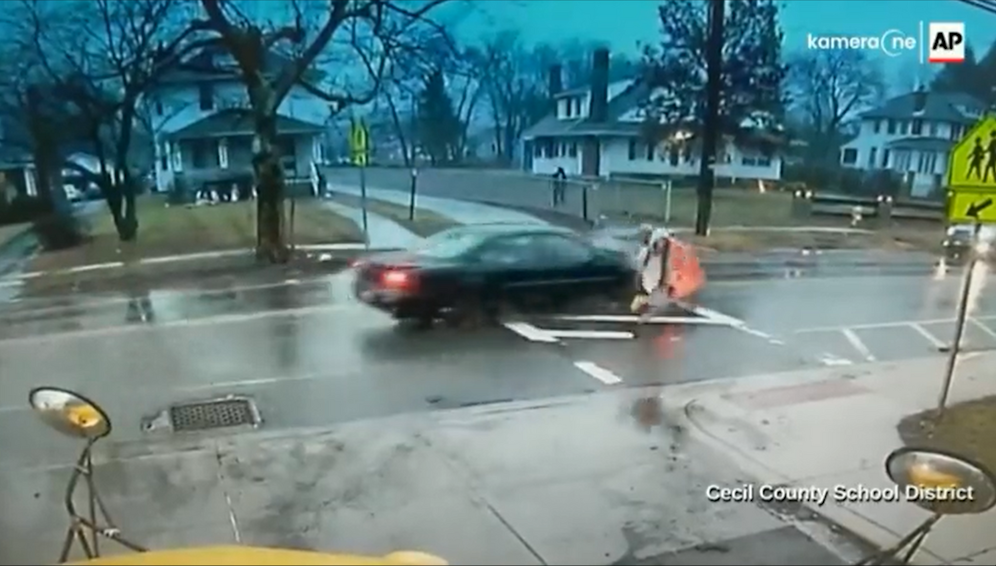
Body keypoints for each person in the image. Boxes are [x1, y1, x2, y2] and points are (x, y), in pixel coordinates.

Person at [631, 224, 673, 321]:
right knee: (639, 305)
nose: (662, 244)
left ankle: (647, 313)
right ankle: (645, 312)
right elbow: (640, 268)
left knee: (655, 302)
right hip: (648, 281)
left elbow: (666, 269)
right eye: (661, 241)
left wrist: (664, 283)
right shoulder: (646, 252)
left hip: (655, 282)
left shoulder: (664, 256)